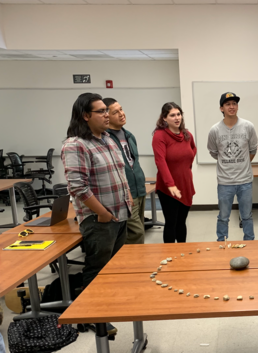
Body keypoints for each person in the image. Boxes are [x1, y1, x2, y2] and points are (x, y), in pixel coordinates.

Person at [62, 93, 132, 336]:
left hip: (120, 215)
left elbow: (119, 173)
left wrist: (128, 197)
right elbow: (78, 186)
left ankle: (106, 307)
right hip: (101, 220)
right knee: (97, 267)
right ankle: (93, 317)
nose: (106, 114)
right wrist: (102, 213)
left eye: (106, 110)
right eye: (101, 111)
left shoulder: (108, 139)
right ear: (85, 115)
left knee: (112, 267)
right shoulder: (76, 145)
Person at [207, 92, 258, 241]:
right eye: (228, 104)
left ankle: (249, 241)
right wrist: (229, 161)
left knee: (247, 215)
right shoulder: (215, 130)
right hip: (225, 182)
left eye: (234, 104)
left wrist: (242, 163)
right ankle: (221, 242)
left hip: (245, 180)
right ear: (221, 108)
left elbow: (253, 149)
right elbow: (214, 152)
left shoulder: (247, 126)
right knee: (223, 216)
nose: (232, 107)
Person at [104, 98, 147, 244]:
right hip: (125, 192)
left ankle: (137, 261)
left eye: (121, 109)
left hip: (139, 190)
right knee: (136, 232)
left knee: (138, 229)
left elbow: (133, 162)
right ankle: (132, 263)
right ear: (106, 116)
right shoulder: (106, 138)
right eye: (115, 112)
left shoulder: (129, 135)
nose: (122, 114)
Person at [152, 102, 197, 243]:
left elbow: (193, 151)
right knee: (171, 222)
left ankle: (182, 254)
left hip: (185, 184)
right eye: (172, 115)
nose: (177, 118)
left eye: (179, 114)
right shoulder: (160, 136)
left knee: (182, 222)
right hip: (169, 188)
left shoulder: (186, 134)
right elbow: (160, 162)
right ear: (164, 118)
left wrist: (185, 169)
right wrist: (171, 184)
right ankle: (170, 256)